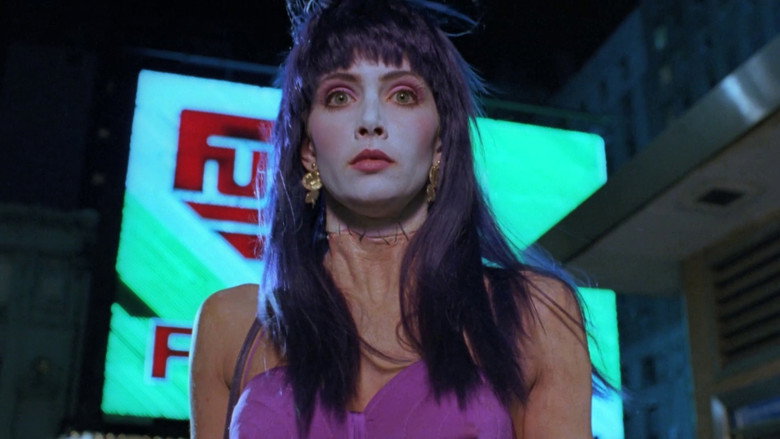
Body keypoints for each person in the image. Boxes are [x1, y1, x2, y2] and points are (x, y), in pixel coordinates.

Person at [190, 0, 593, 437]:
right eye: (339, 96)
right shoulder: (228, 326)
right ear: (307, 149)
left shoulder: (536, 316)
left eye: (402, 95)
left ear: (440, 145)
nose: (370, 121)